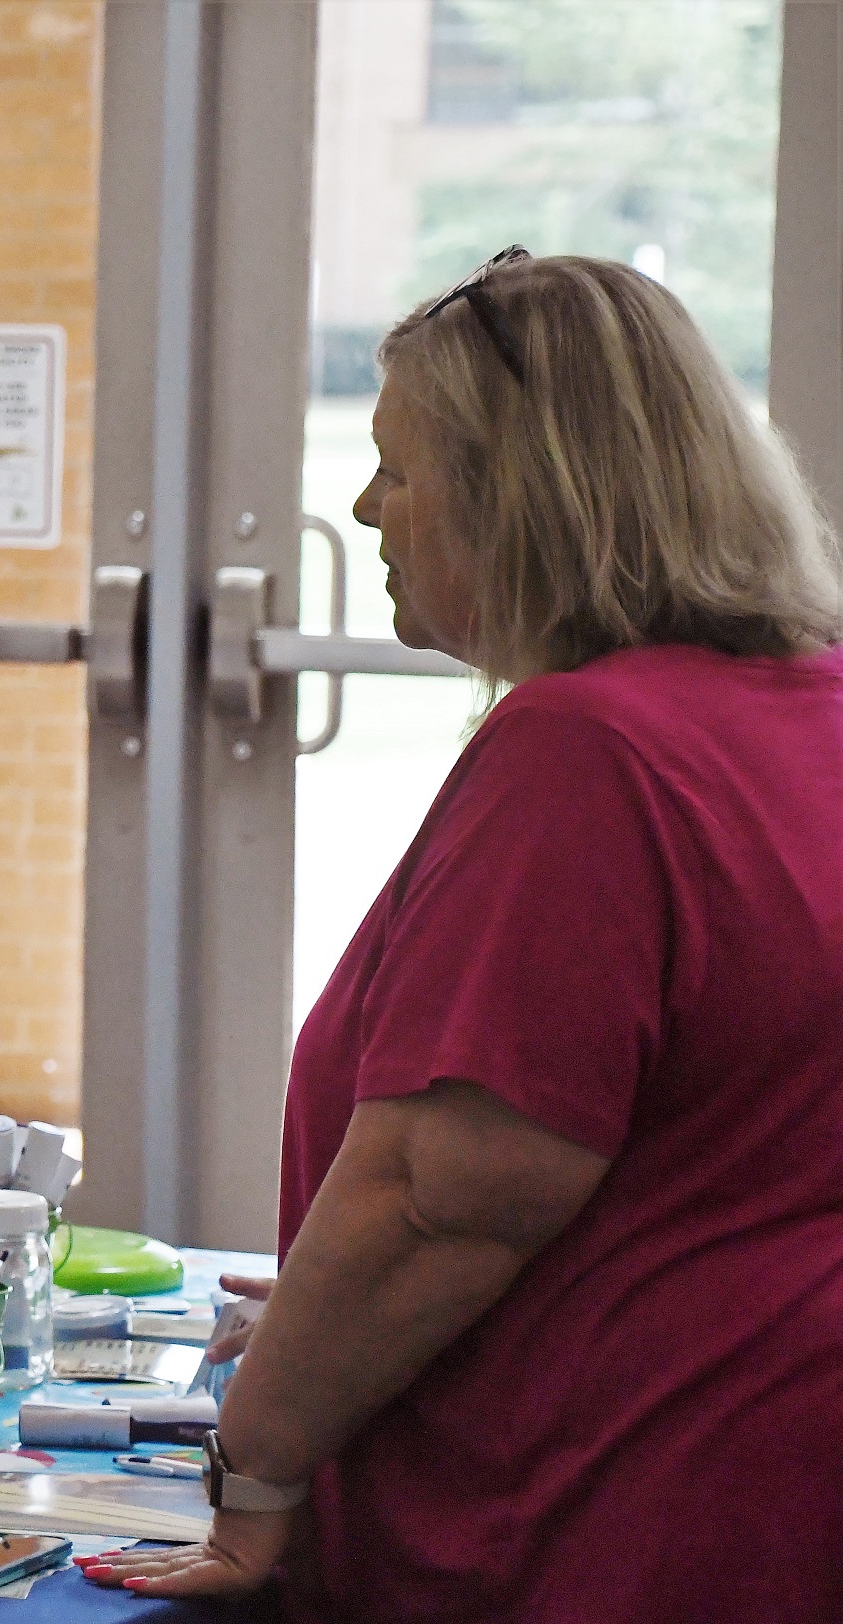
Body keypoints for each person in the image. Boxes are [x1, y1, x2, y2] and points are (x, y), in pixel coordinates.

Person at [77, 250, 843, 1618]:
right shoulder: (810, 708)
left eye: (398, 470)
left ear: (521, 495)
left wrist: (254, 1465)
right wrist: (325, 1316)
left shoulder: (585, 749)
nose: (367, 509)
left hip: (607, 1510)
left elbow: (444, 1200)